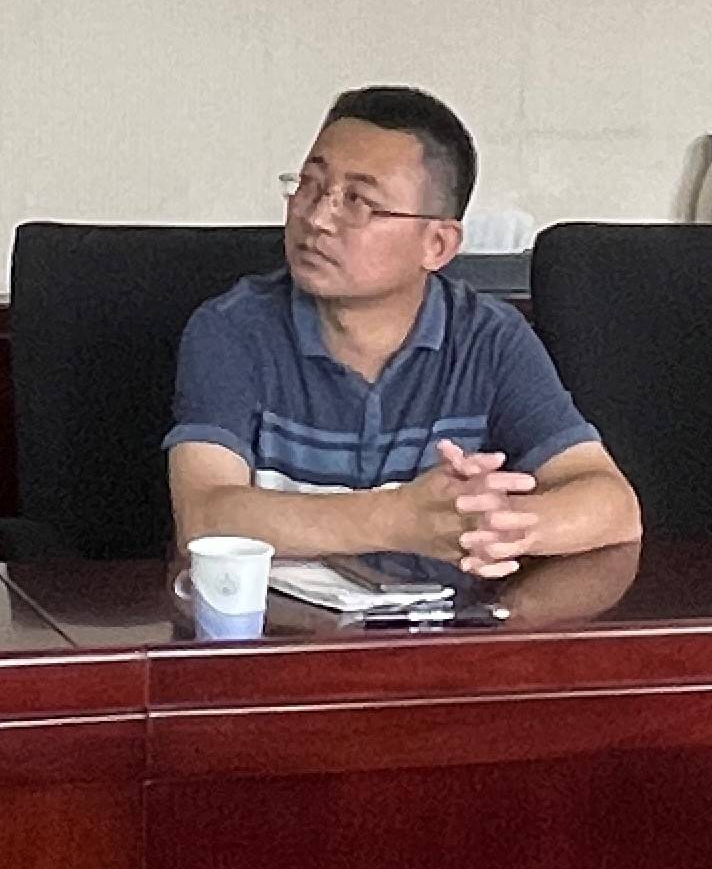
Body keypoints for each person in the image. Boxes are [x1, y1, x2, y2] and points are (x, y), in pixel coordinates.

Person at [166, 86, 641, 577]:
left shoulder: (489, 339)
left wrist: (491, 523)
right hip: (276, 621)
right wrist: (399, 518)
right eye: (309, 185)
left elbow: (613, 505)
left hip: (446, 623)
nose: (317, 217)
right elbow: (204, 518)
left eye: (358, 201)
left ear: (437, 245)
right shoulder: (234, 330)